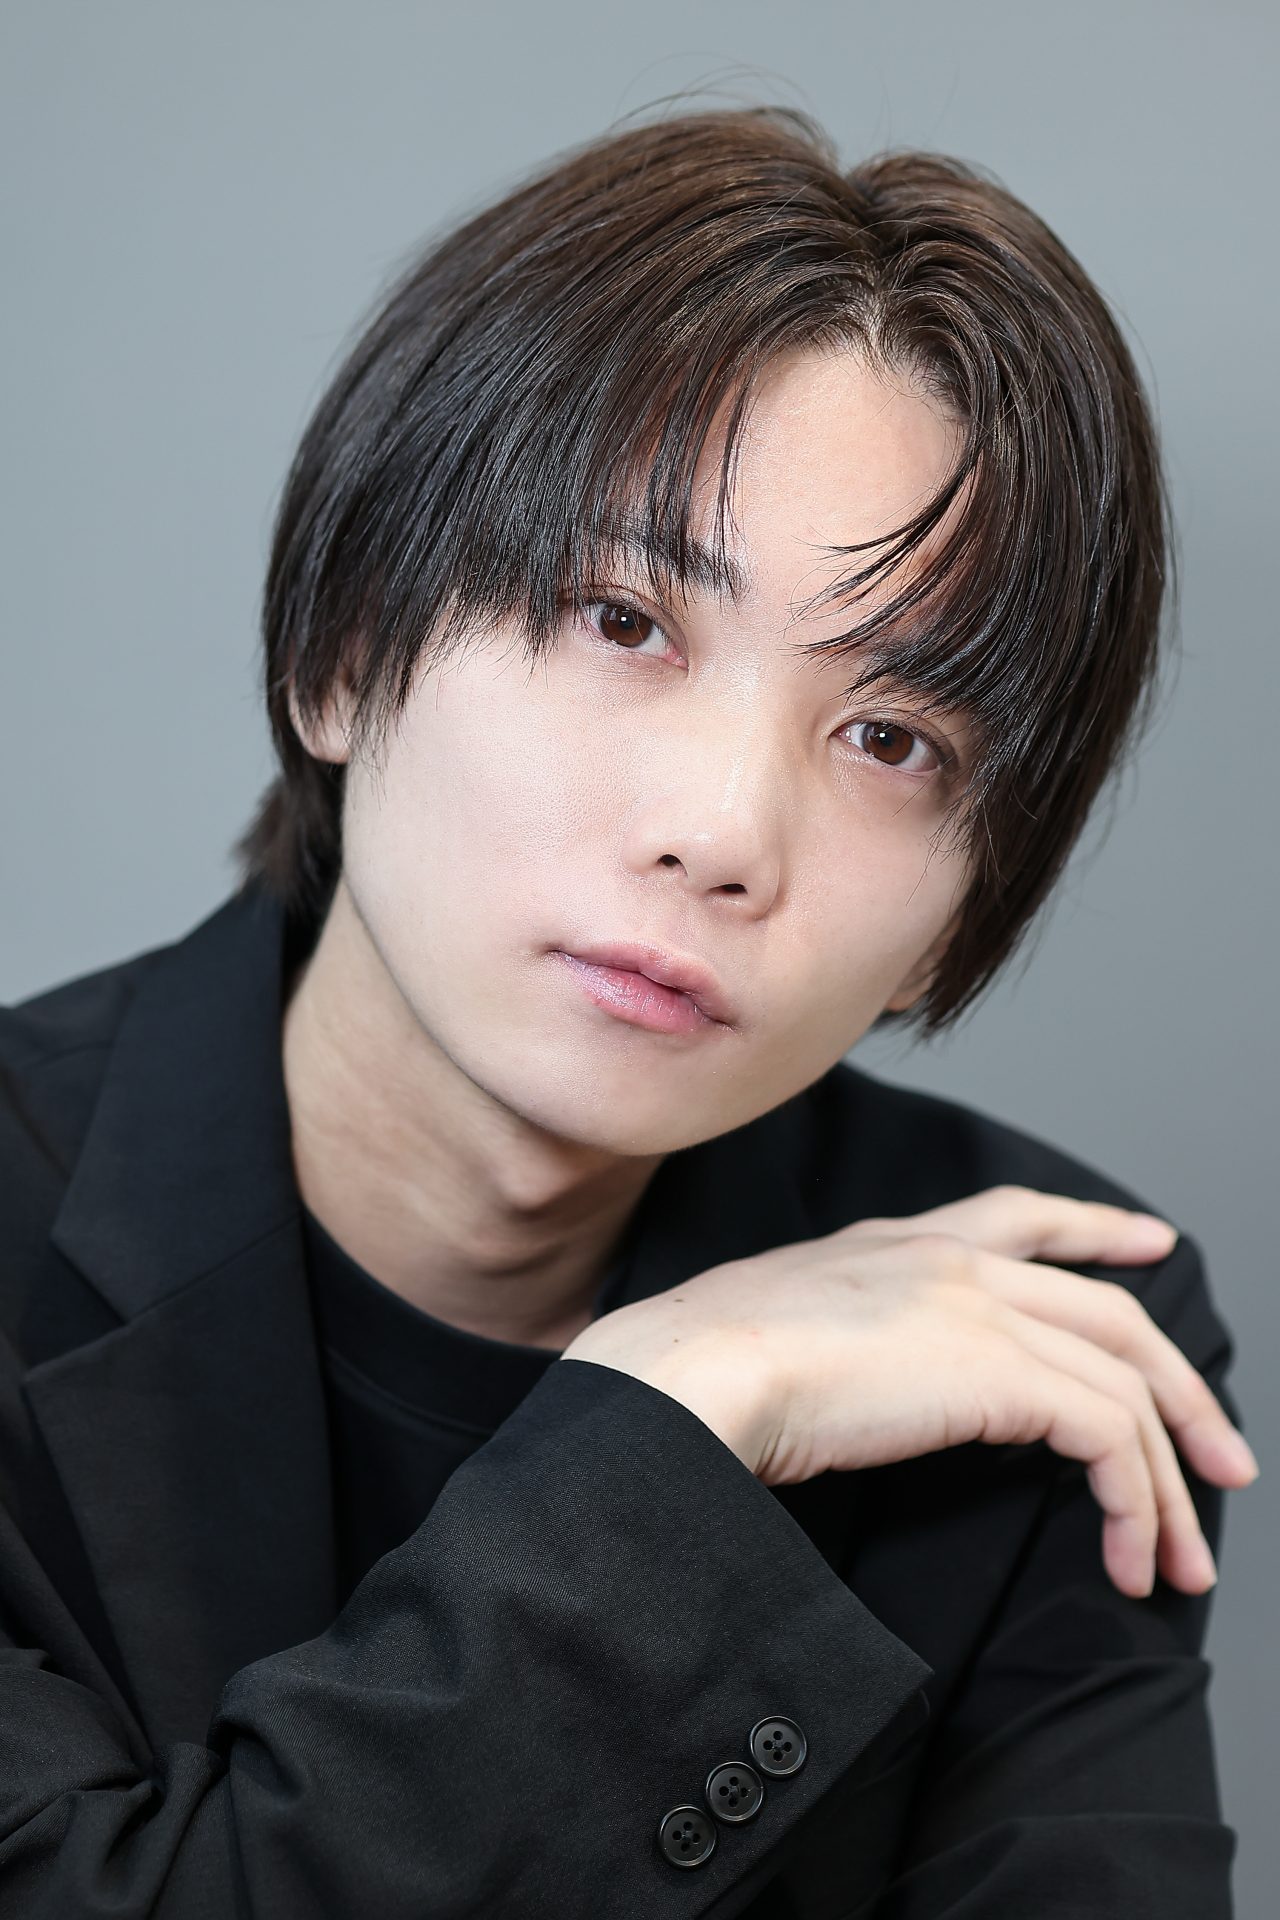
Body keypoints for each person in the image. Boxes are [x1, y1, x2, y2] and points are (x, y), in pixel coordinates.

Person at [0, 104, 1258, 1917]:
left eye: (891, 738)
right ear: (343, 650)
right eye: (621, 620)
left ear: (961, 914)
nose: (724, 835)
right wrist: (676, 1419)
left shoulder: (1032, 1326)